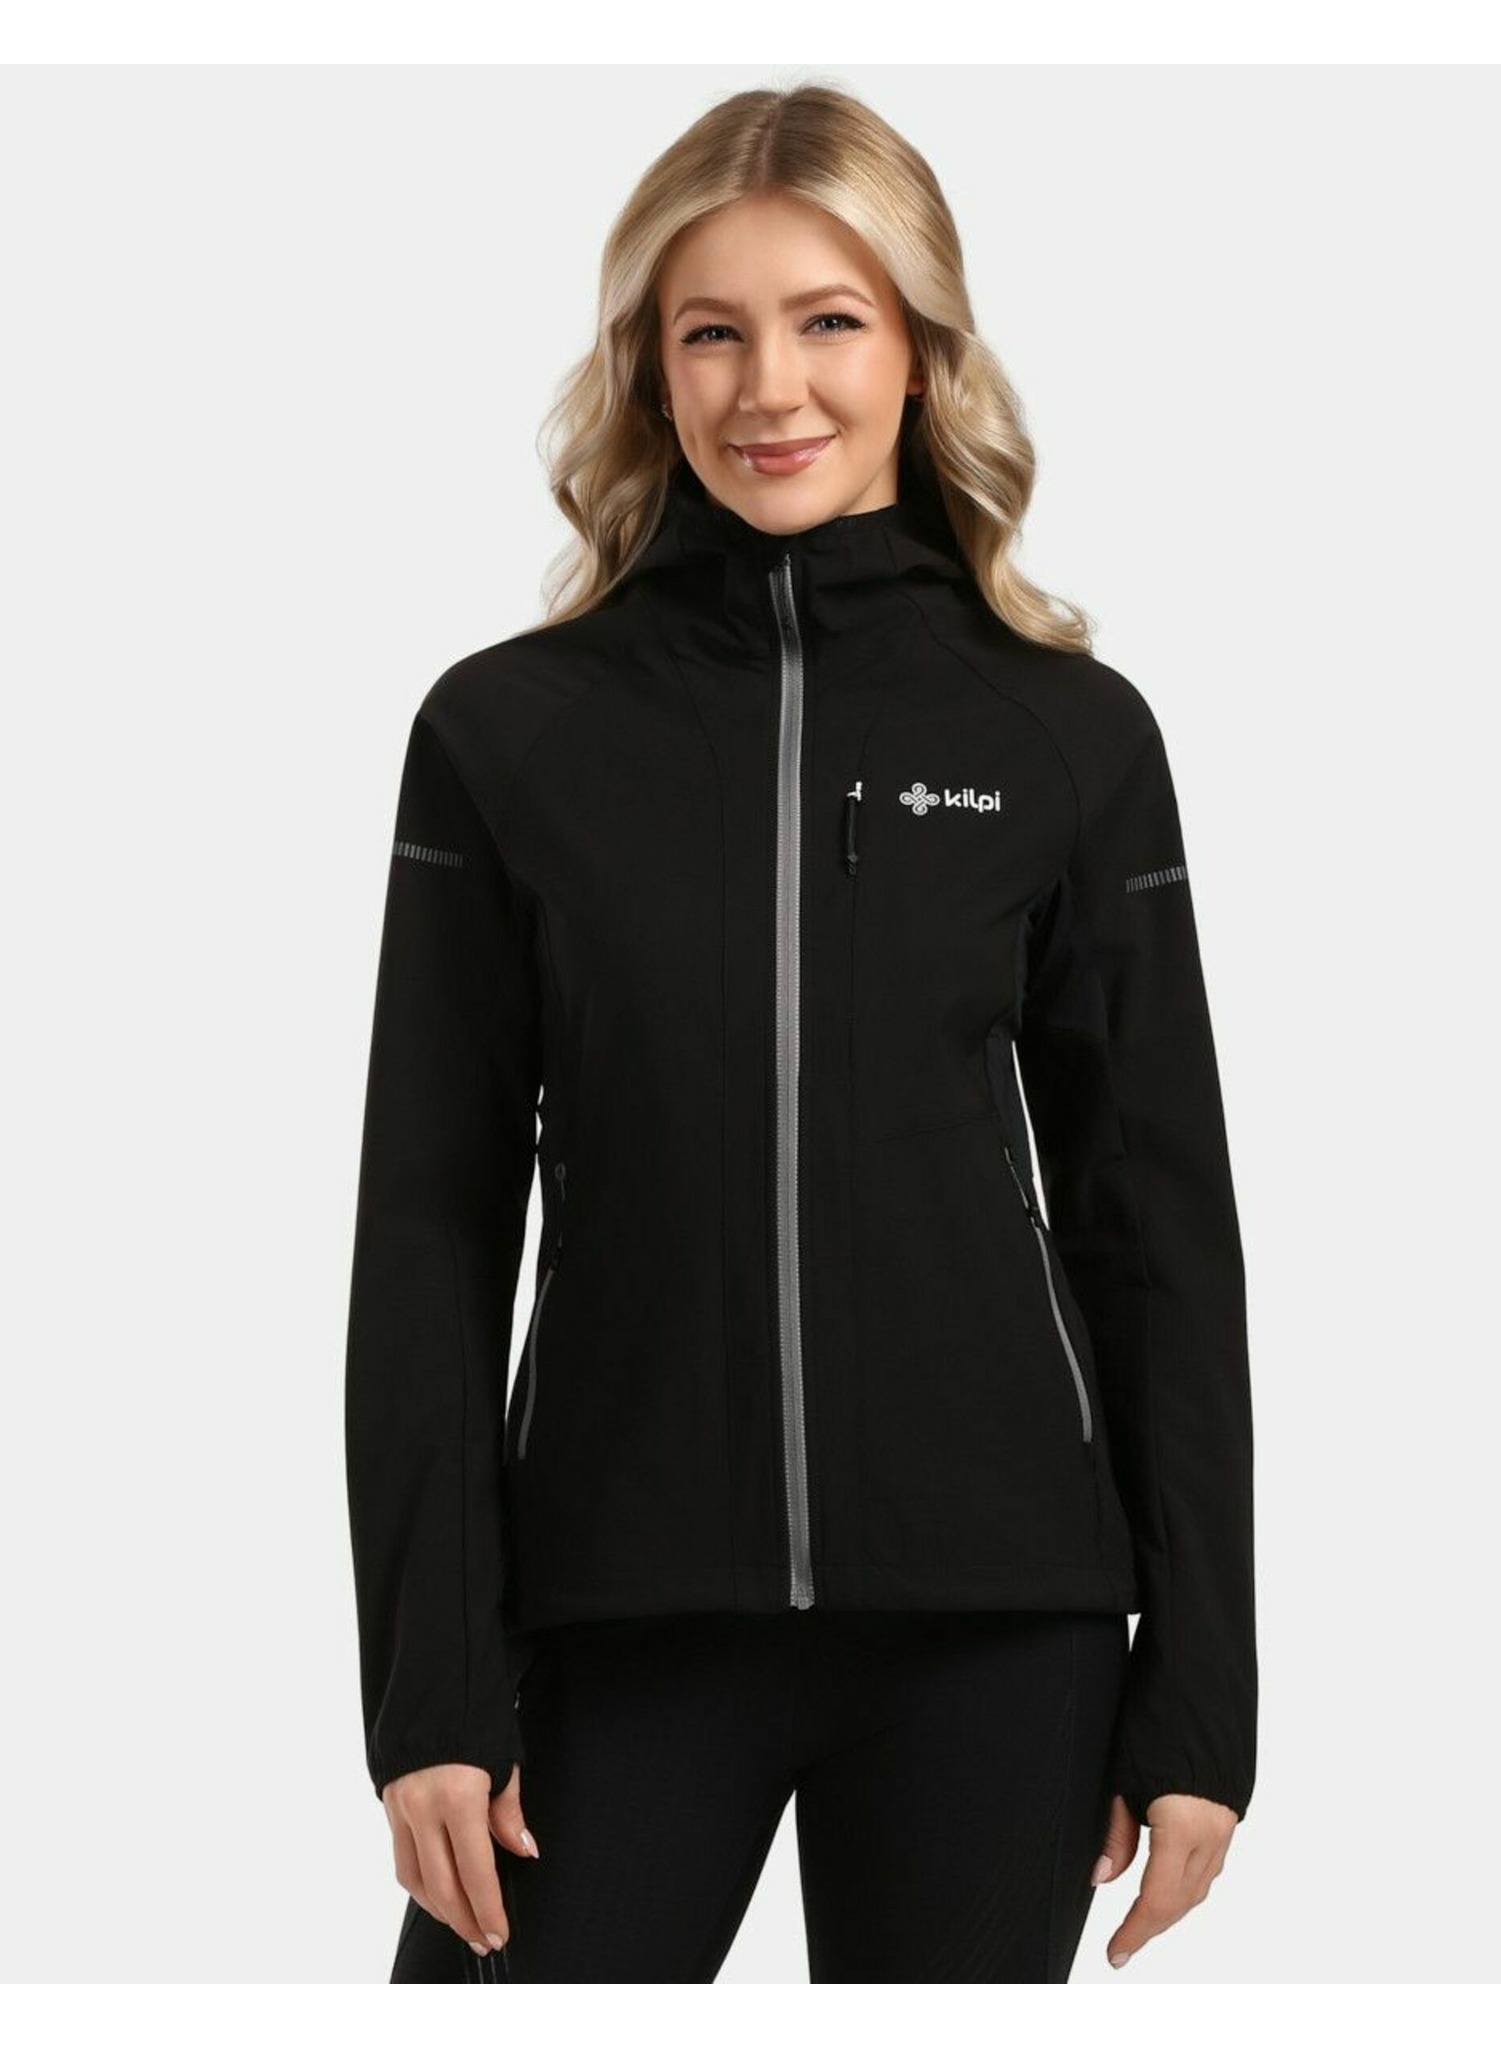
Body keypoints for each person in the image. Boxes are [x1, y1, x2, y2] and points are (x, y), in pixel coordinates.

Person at [343, 81, 1257, 1985]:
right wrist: (427, 1687)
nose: (771, 387)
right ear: (647, 368)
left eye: (829, 319)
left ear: (922, 351)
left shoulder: (1066, 737)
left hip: (998, 1631)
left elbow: (1156, 1226)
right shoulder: (508, 737)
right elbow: (428, 1229)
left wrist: (1201, 1699)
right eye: (712, 331)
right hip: (613, 1615)